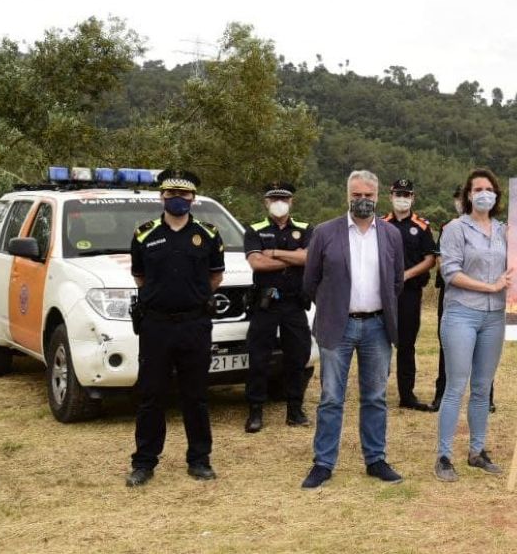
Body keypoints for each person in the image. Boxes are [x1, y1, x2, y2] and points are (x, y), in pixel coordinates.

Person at [299, 170, 405, 489]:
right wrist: (332, 306)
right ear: (347, 196)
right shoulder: (324, 232)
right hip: (337, 325)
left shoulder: (391, 235)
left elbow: (397, 281)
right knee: (331, 397)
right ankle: (323, 463)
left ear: (377, 197)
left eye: (368, 195)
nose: (362, 201)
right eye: (356, 195)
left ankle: (375, 459)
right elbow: (310, 280)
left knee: (375, 396)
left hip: (377, 326)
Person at [125, 169, 226, 487]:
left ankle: (199, 460)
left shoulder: (208, 234)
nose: (178, 200)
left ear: (193, 198)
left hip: (194, 324)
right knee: (151, 395)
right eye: (171, 194)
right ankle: (144, 463)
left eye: (184, 195)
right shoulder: (144, 234)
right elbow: (140, 278)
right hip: (156, 326)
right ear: (162, 197)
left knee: (195, 396)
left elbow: (215, 277)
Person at [434, 168, 511, 482]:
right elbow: (449, 272)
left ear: (496, 195)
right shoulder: (455, 228)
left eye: (489, 188)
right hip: (462, 314)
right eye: (477, 188)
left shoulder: (504, 230)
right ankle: (443, 456)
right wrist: (490, 286)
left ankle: (477, 451)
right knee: (456, 386)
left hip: (495, 317)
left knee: (482, 388)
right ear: (468, 195)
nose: (484, 193)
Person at [243, 182, 313, 433]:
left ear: (291, 201)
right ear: (266, 202)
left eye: (283, 198)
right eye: (274, 199)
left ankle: (295, 410)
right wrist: (292, 259)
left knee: (298, 356)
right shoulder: (254, 229)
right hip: (265, 303)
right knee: (259, 358)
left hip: (295, 303)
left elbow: (309, 258)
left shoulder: (305, 229)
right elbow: (257, 263)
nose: (279, 202)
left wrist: (272, 252)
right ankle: (255, 412)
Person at [383, 178, 438, 412]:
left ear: (413, 198)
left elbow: (430, 259)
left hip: (410, 292)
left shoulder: (422, 226)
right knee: (378, 342)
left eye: (406, 195)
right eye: (398, 194)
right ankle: (374, 392)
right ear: (391, 196)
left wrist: (405, 275)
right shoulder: (380, 224)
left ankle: (407, 395)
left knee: (407, 345)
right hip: (382, 292)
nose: (402, 199)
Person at [431, 186, 463, 411]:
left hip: (480, 294)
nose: (463, 201)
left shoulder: (491, 228)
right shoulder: (448, 228)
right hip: (451, 292)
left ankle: (486, 396)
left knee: (482, 347)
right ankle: (441, 394)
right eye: (459, 198)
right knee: (447, 344)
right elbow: (441, 260)